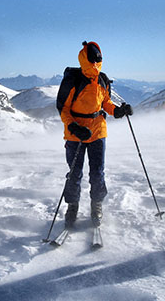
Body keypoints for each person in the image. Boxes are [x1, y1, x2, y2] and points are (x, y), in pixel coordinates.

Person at [56, 41, 133, 228]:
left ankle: (96, 205)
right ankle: (72, 206)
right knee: (75, 173)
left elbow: (105, 102)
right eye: (93, 59)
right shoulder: (73, 80)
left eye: (98, 60)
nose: (96, 62)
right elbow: (63, 108)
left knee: (97, 173)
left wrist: (117, 111)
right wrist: (74, 127)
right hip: (76, 135)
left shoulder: (102, 79)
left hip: (98, 131)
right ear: (85, 59)